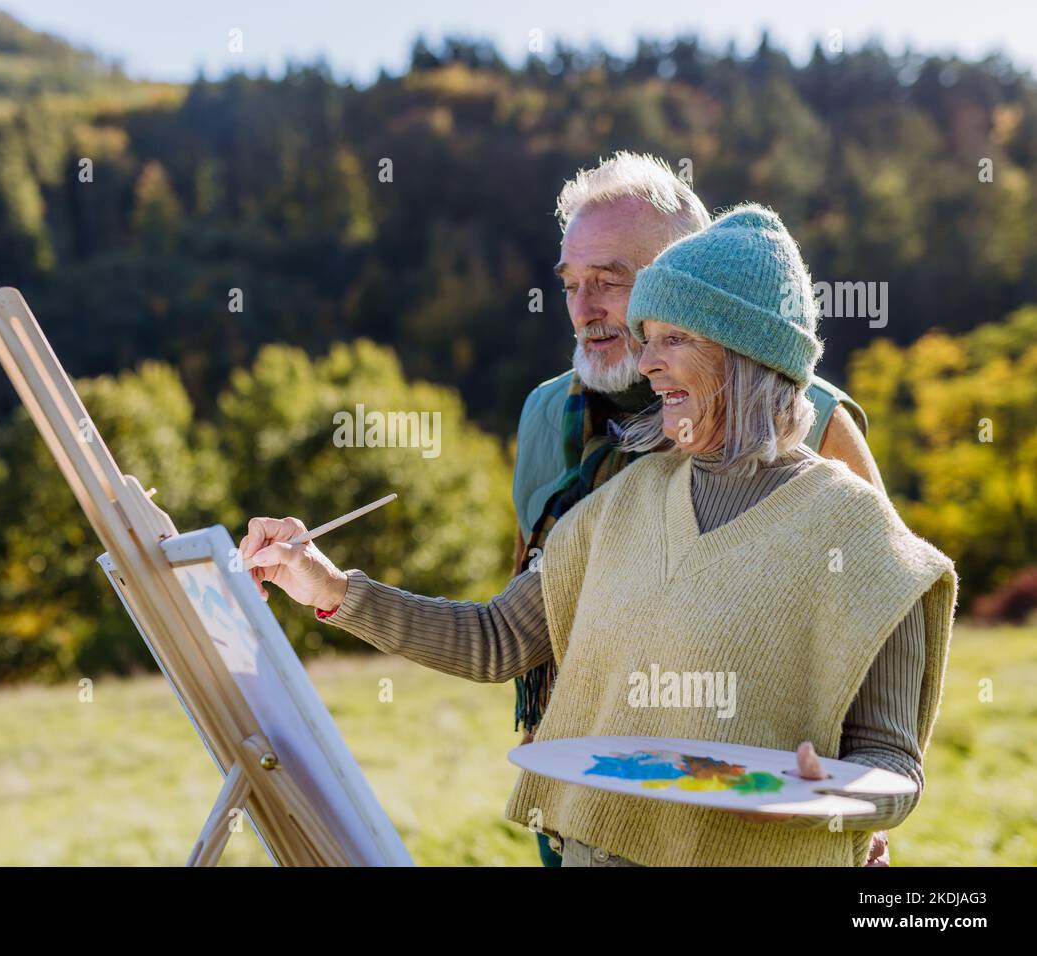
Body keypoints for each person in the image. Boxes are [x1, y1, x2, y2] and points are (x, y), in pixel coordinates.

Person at [240, 205, 956, 867]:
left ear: (746, 356)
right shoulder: (621, 505)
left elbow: (894, 772)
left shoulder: (856, 534)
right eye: (647, 339)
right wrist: (329, 589)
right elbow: (494, 640)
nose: (646, 363)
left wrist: (829, 799)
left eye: (674, 338)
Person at [509, 152, 885, 866]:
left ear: (686, 281)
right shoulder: (541, 416)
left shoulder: (814, 418)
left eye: (611, 283)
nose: (585, 309)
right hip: (582, 802)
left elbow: (879, 624)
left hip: (754, 824)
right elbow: (524, 614)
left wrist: (858, 808)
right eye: (571, 284)